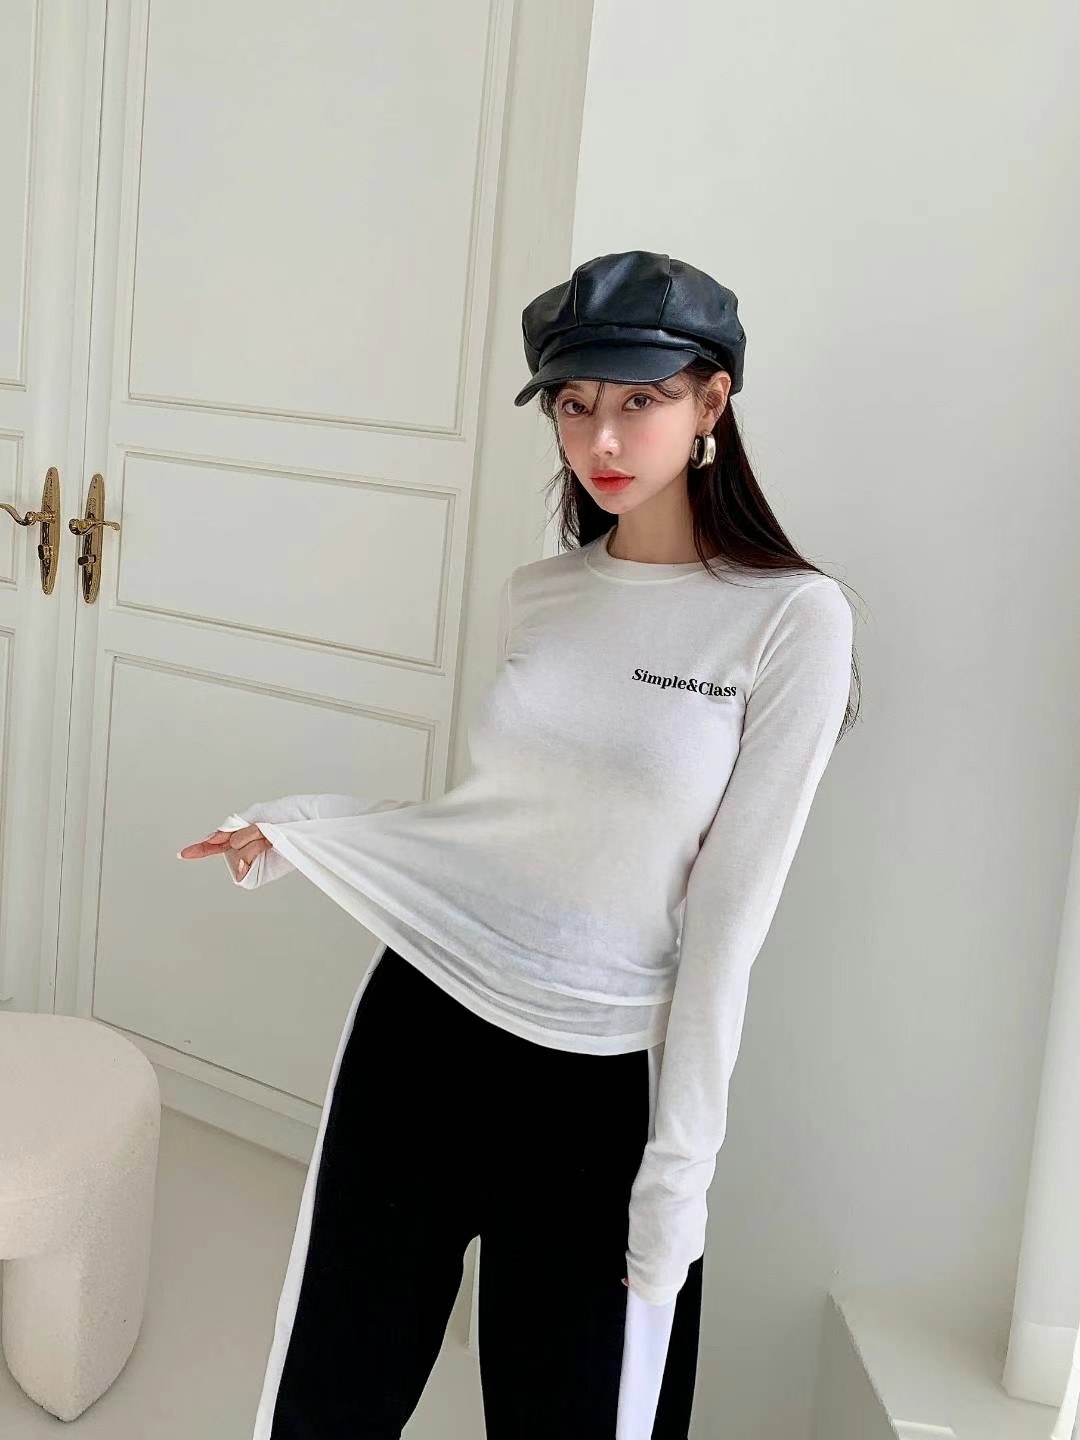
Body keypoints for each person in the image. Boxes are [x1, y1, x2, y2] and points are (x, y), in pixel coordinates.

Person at [179, 249, 859, 1439]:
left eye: (641, 399)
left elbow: (729, 920)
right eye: (574, 404)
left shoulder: (792, 620)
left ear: (712, 400)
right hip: (421, 1024)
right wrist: (309, 832)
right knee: (329, 1394)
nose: (603, 438)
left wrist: (680, 1171)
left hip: (598, 1083)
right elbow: (503, 827)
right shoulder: (543, 593)